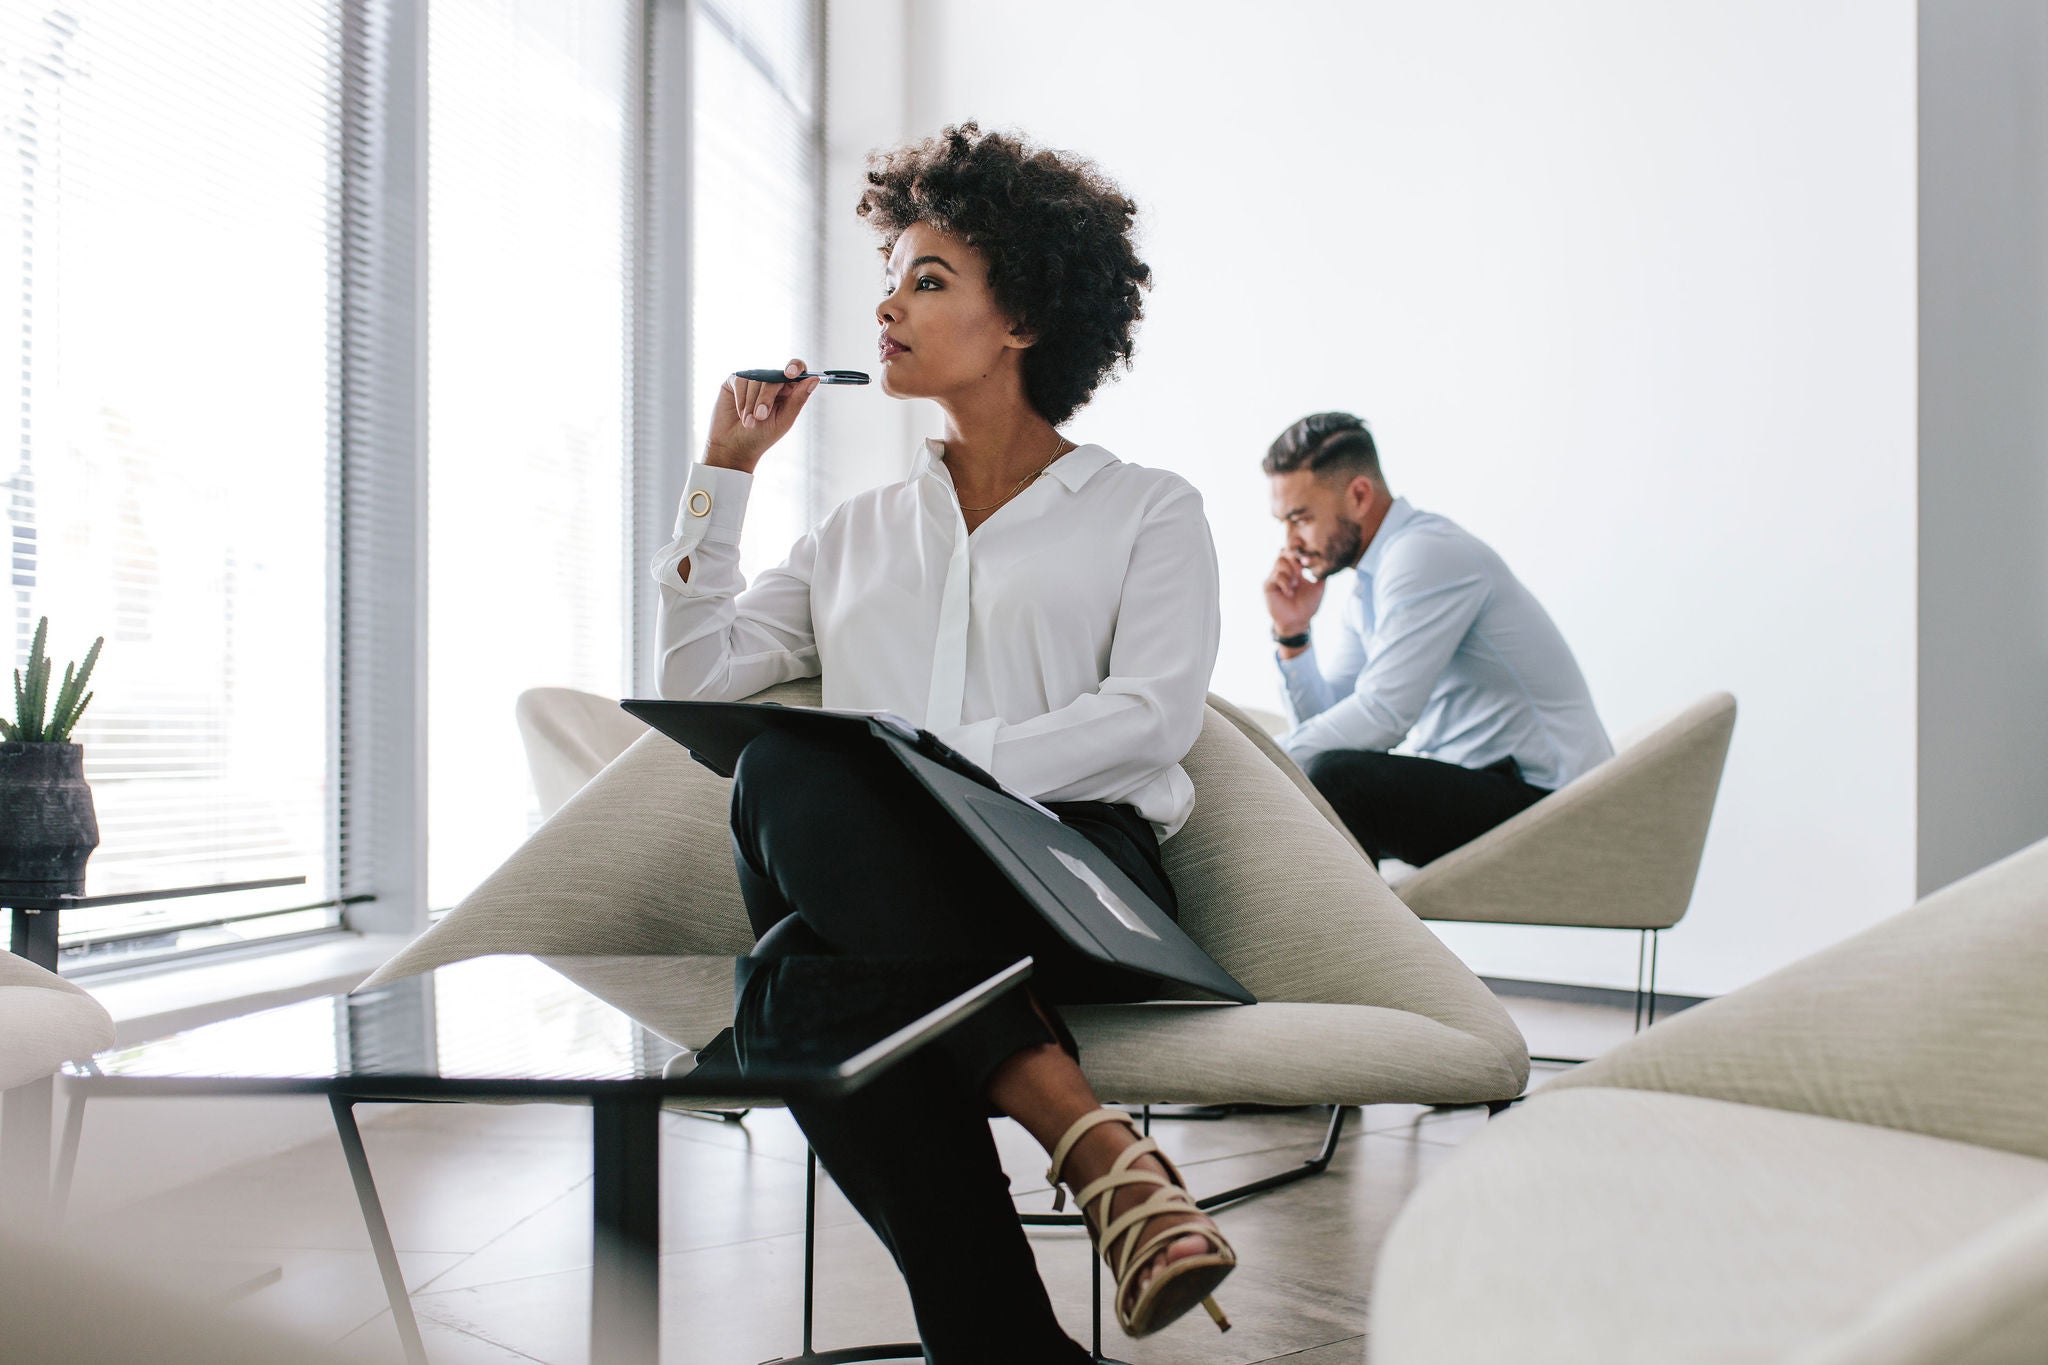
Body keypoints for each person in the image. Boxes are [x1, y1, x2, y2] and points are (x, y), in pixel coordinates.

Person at [649, 123, 1233, 1361]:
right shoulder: (850, 533)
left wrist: (930, 773)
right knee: (779, 765)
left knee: (784, 986)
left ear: (1019, 316)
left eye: (927, 280)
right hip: (901, 892)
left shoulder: (1146, 510)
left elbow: (1152, 715)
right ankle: (1085, 1150)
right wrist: (724, 475)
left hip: (1074, 875)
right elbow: (695, 675)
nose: (888, 307)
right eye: (891, 280)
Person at [1263, 411, 1613, 867]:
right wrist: (1293, 634)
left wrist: (1263, 765)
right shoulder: (1369, 585)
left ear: (1359, 496)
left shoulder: (1423, 554)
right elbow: (1333, 723)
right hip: (1486, 784)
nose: (1290, 543)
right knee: (1328, 772)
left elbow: (1384, 716)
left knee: (1338, 780)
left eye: (1300, 518)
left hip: (1554, 801)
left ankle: (1346, 939)